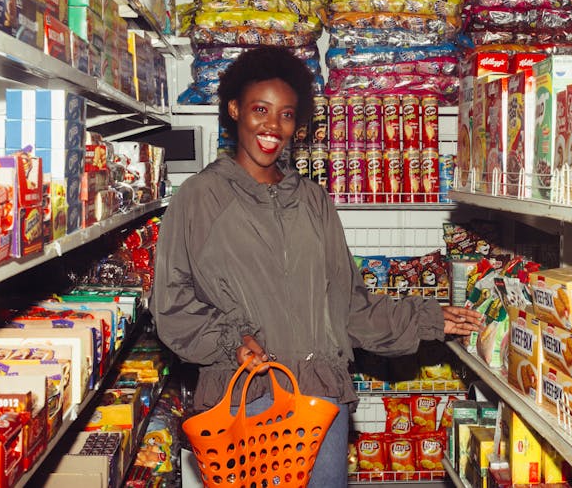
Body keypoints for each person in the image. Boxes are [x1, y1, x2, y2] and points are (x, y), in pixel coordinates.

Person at [151, 46, 484, 487]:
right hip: (246, 401)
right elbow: (170, 305)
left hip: (319, 402)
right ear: (234, 109)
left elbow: (349, 307)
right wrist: (231, 339)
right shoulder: (197, 199)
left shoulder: (313, 200)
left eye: (286, 115)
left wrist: (429, 317)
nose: (273, 127)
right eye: (260, 110)